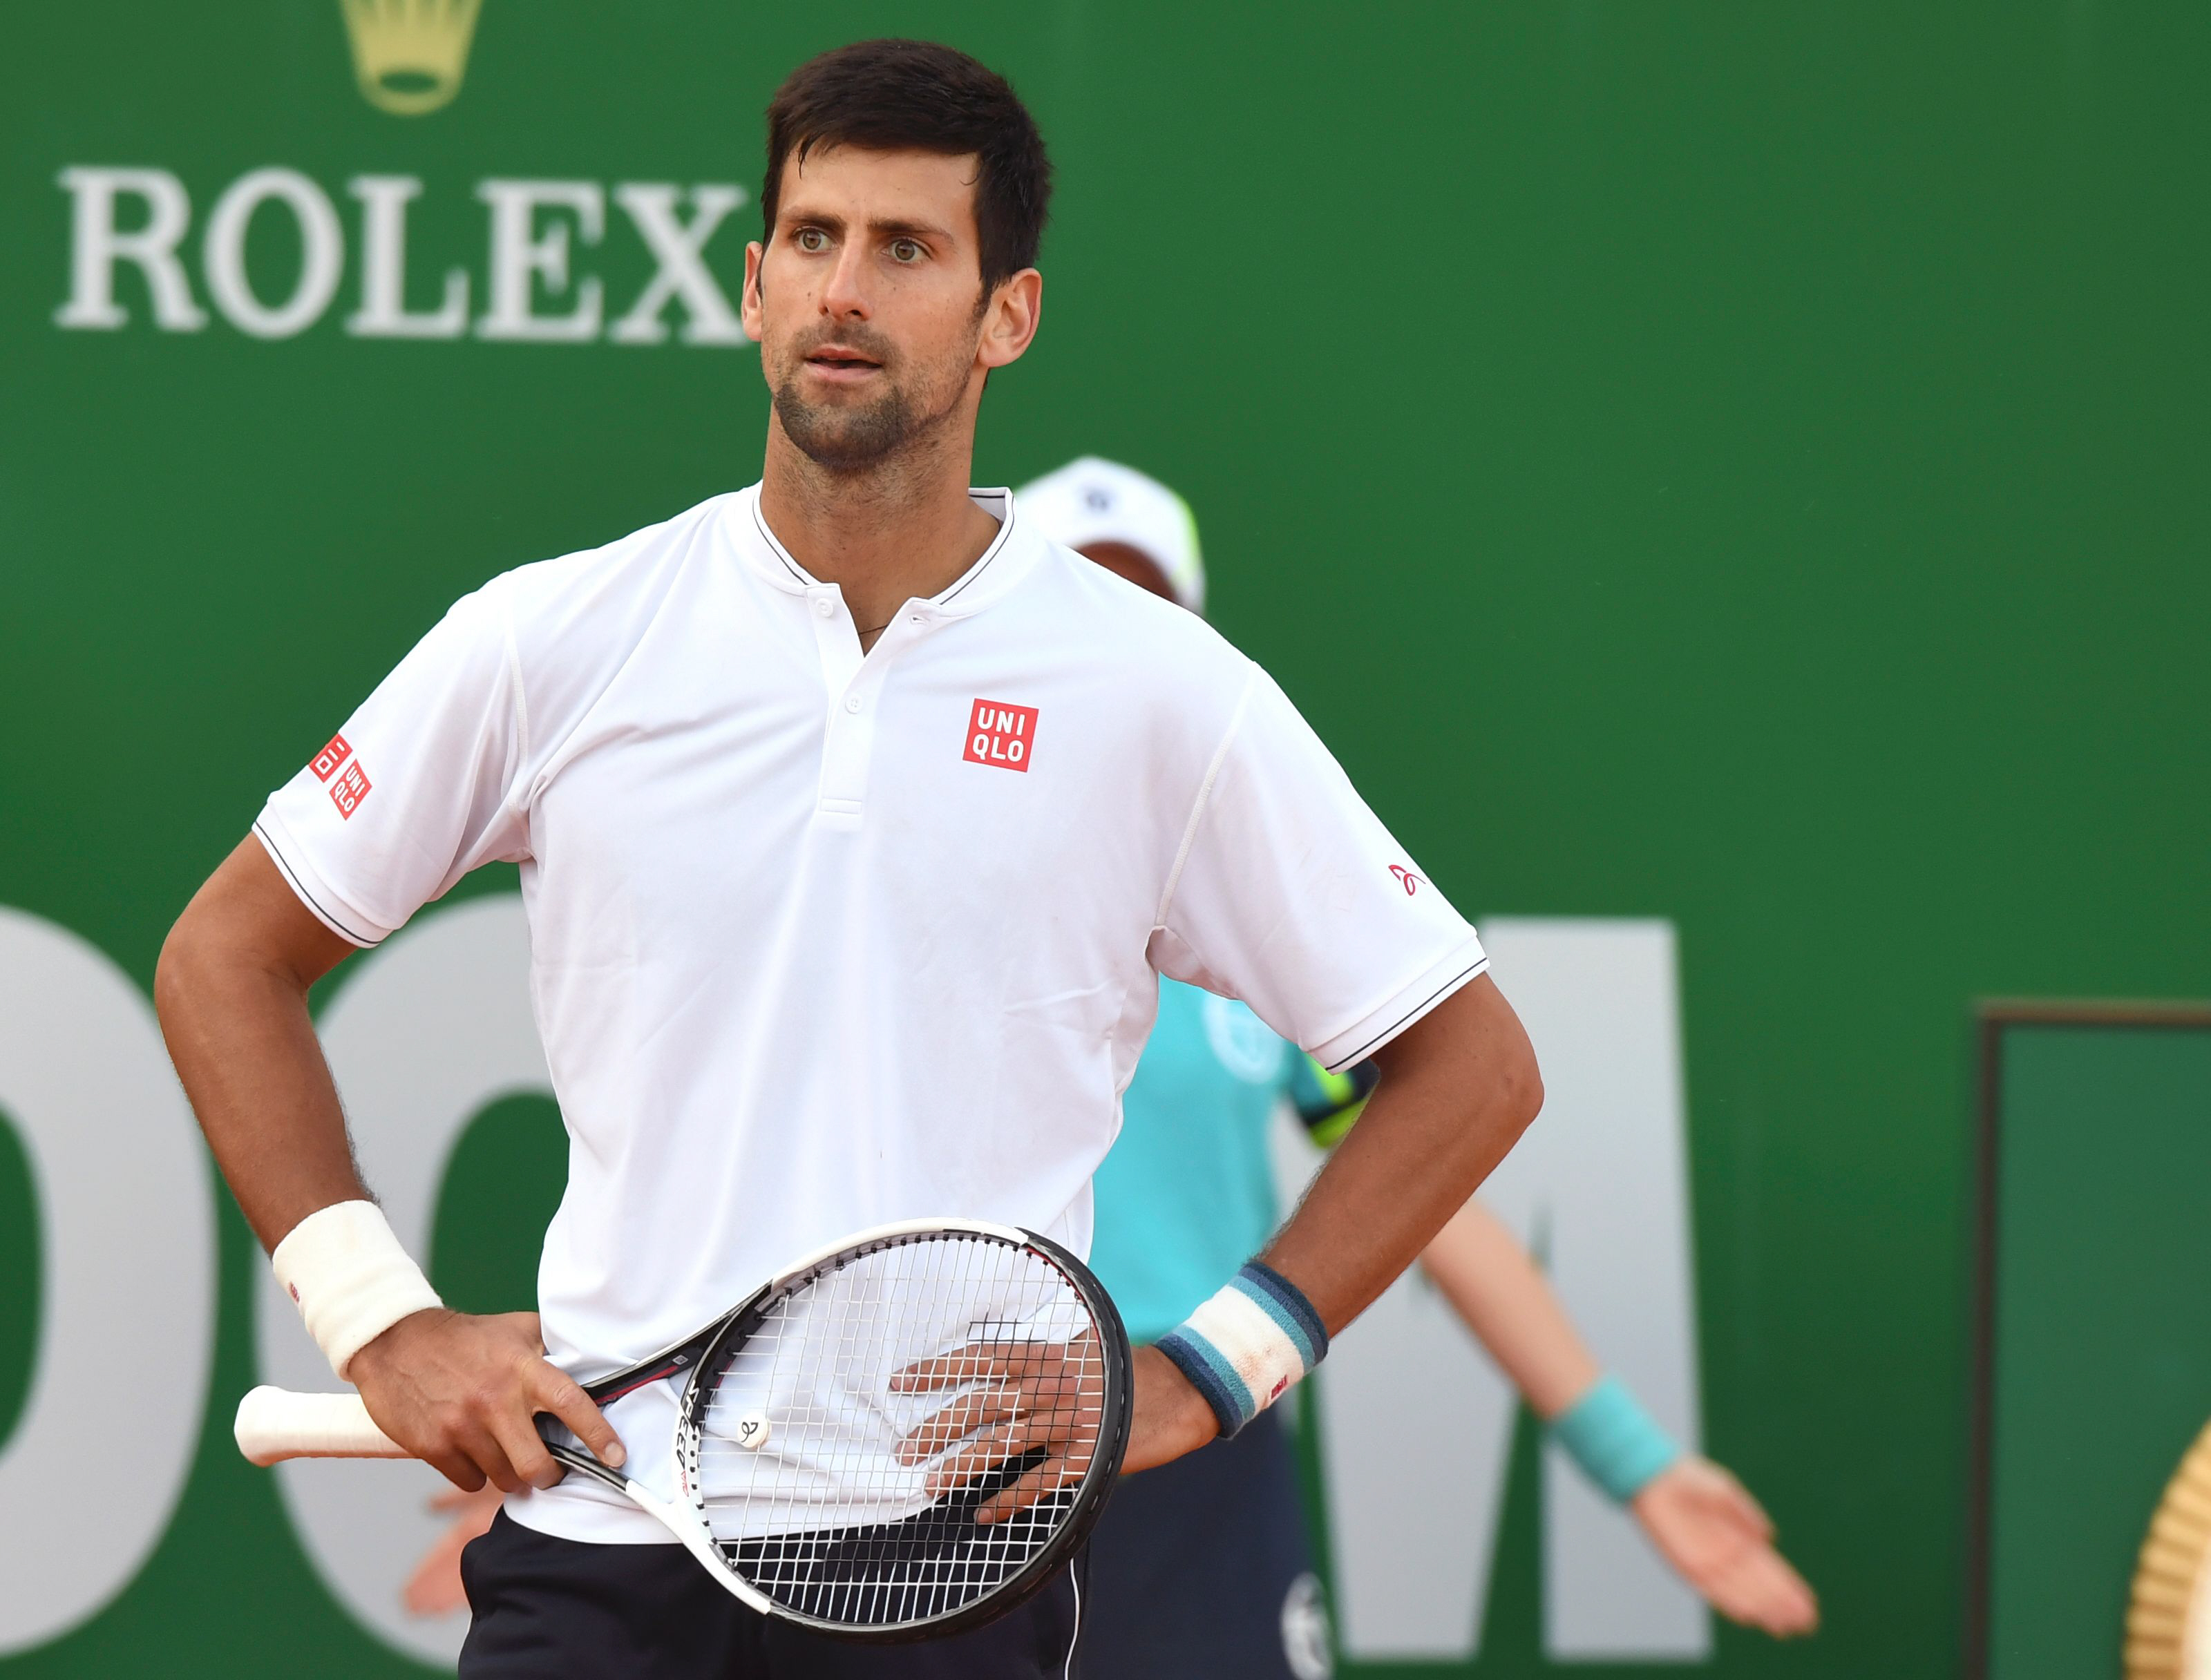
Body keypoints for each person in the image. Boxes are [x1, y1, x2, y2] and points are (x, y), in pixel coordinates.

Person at [155, 39, 1543, 1680]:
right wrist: (375, 1319)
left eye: (905, 249)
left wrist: (1209, 1369)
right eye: (811, 240)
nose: (843, 290)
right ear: (750, 286)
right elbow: (222, 955)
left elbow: (1471, 1064)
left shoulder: (1165, 695)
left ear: (1004, 315)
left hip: (951, 1571)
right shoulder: (553, 639)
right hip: (601, 1547)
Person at [1021, 458, 1819, 1677]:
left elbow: (1437, 1188)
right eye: (1075, 605)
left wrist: (1636, 1463)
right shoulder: (913, 885)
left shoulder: (1247, 922)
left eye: (1144, 613)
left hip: (1193, 1469)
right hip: (956, 1454)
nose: (1109, 649)